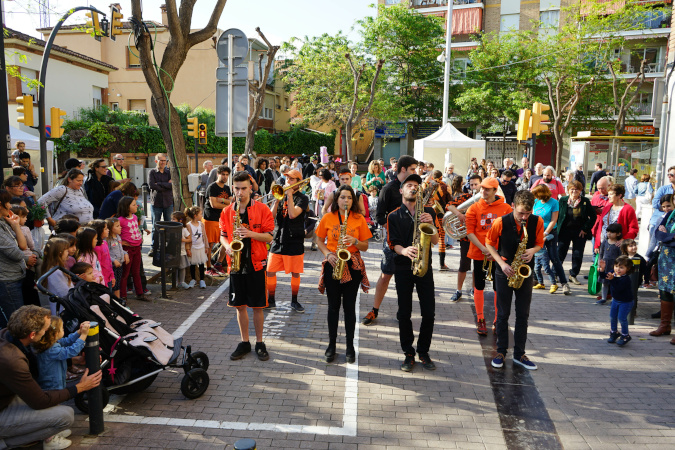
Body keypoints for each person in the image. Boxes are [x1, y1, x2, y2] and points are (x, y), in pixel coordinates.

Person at [0, 305, 102, 450]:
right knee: (65, 416)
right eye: (46, 329)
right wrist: (79, 387)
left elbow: (45, 359)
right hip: (5, 407)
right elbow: (40, 401)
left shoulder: (7, 336)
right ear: (32, 335)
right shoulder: (12, 360)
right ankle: (6, 443)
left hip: (6, 398)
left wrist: (73, 360)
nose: (50, 332)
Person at [386, 173, 439, 372]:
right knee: (404, 312)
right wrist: (405, 250)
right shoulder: (393, 215)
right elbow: (393, 244)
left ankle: (423, 351)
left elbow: (435, 241)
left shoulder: (428, 212)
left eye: (416, 185)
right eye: (408, 185)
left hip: (425, 266)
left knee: (429, 312)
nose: (413, 188)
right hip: (403, 267)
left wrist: (431, 224)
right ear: (401, 190)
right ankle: (408, 352)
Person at [486, 189, 544, 370]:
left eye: (528, 213)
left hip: (524, 272)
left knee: (523, 315)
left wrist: (532, 251)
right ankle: (501, 351)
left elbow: (539, 243)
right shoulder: (500, 222)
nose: (524, 217)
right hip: (504, 270)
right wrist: (502, 265)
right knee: (502, 314)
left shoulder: (537, 221)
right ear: (512, 207)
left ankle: (520, 353)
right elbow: (489, 243)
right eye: (520, 213)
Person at [220, 171, 274, 362]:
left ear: (251, 187)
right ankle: (244, 342)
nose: (240, 192)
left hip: (256, 263)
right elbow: (223, 234)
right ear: (232, 189)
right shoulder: (227, 211)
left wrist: (250, 233)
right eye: (237, 189)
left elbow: (269, 236)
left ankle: (260, 343)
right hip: (235, 264)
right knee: (239, 306)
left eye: (244, 188)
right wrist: (227, 247)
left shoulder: (262, 209)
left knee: (258, 306)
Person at [315, 185, 371, 363]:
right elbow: (318, 240)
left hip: (352, 265)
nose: (345, 201)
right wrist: (328, 254)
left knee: (349, 308)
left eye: (349, 198)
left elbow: (365, 246)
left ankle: (349, 346)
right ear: (336, 199)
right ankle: (331, 345)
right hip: (333, 263)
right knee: (333, 307)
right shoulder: (328, 217)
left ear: (353, 201)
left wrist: (355, 240)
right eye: (342, 197)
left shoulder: (358, 218)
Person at [361, 155, 418, 326]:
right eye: (413, 169)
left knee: (408, 277)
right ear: (403, 169)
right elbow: (378, 216)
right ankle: (375, 309)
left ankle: (403, 311)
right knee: (385, 275)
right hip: (392, 240)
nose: (415, 173)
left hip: (412, 240)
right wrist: (393, 227)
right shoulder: (388, 188)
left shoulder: (416, 189)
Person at [465, 177, 512, 335]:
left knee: (498, 287)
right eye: (482, 188)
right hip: (479, 253)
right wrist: (484, 249)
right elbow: (470, 232)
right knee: (478, 286)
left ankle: (497, 320)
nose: (483, 191)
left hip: (499, 255)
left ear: (494, 190)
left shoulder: (506, 208)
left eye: (487, 189)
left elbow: (509, 232)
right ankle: (480, 319)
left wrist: (495, 252)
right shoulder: (474, 208)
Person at [266, 169, 309, 311]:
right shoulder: (281, 195)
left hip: (294, 239)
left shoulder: (303, 198)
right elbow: (271, 217)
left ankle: (294, 301)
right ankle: (271, 299)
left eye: (291, 180)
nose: (287, 182)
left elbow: (292, 214)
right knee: (270, 270)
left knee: (295, 272)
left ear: (298, 182)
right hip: (278, 238)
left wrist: (289, 196)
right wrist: (277, 202)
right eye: (286, 179)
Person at [0, 189, 34, 327]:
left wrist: (15, 226)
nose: (10, 206)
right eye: (7, 202)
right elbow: (16, 253)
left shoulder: (4, 222)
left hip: (15, 276)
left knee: (16, 319)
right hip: (7, 280)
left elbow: (23, 246)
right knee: (16, 323)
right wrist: (25, 257)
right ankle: (14, 348)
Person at [447, 175, 482, 302]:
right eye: (471, 184)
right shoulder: (466, 197)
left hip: (480, 238)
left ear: (481, 185)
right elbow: (449, 205)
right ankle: (458, 290)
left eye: (476, 184)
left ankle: (474, 289)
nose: (473, 187)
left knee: (477, 266)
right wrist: (458, 214)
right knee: (463, 265)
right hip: (466, 238)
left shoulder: (485, 199)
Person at [532, 185, 571, 295]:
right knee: (537, 257)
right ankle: (538, 281)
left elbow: (553, 221)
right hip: (538, 233)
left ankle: (564, 283)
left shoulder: (554, 202)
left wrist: (545, 233)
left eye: (537, 195)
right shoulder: (536, 202)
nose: (536, 197)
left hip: (550, 234)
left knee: (554, 257)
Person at [34, 317, 89, 393]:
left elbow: (67, 341)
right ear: (56, 334)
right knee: (55, 401)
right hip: (52, 385)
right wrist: (83, 335)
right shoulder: (52, 349)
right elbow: (71, 351)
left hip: (51, 382)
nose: (63, 330)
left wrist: (79, 332)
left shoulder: (50, 342)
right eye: (62, 328)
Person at [557, 181, 596, 285]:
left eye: (577, 189)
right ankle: (556, 274)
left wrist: (585, 228)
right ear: (568, 190)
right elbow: (557, 215)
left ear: (580, 190)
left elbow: (593, 217)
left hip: (579, 232)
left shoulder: (585, 201)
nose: (574, 191)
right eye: (572, 189)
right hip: (564, 231)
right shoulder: (563, 200)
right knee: (560, 253)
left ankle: (573, 275)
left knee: (578, 254)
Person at [652, 204, 675, 343]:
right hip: (667, 259)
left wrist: (667, 236)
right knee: (665, 291)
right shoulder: (670, 214)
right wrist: (670, 237)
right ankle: (664, 325)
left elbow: (664, 235)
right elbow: (658, 234)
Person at [599, 255, 635, 346]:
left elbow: (618, 288)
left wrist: (612, 279)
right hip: (615, 300)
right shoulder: (613, 273)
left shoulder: (625, 279)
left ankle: (625, 335)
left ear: (628, 268)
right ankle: (614, 332)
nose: (618, 269)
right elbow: (604, 276)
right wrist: (602, 270)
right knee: (612, 317)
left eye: (621, 267)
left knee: (622, 318)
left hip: (626, 302)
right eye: (616, 266)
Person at [118, 196, 148, 302]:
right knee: (125, 273)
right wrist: (121, 242)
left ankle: (140, 293)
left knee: (136, 271)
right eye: (134, 205)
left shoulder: (135, 217)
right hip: (127, 249)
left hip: (137, 248)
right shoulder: (120, 220)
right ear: (127, 207)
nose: (137, 206)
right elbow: (115, 235)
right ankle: (123, 295)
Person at [203, 166, 232, 276]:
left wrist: (222, 200)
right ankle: (208, 267)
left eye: (226, 175)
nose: (225, 177)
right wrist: (226, 203)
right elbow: (213, 205)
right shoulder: (212, 187)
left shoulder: (227, 188)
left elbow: (231, 202)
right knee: (209, 245)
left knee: (226, 243)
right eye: (223, 174)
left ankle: (218, 264)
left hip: (223, 219)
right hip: (210, 219)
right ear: (218, 174)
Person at [592, 184, 639, 252]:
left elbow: (634, 229)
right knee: (602, 262)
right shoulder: (607, 207)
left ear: (619, 195)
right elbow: (601, 226)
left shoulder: (628, 209)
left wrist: (624, 240)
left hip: (618, 246)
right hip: (604, 243)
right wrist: (597, 244)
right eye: (608, 194)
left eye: (611, 194)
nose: (608, 197)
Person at [149, 153, 173, 254]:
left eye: (164, 160)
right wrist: (166, 185)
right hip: (156, 203)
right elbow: (152, 186)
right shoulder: (152, 172)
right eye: (161, 160)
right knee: (156, 226)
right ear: (156, 161)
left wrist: (159, 184)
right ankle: (154, 248)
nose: (163, 162)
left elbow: (172, 185)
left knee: (169, 226)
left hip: (168, 202)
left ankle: (168, 247)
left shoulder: (169, 172)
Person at [597, 223, 623, 304]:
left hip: (614, 266)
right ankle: (603, 297)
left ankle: (613, 299)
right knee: (604, 282)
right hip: (605, 265)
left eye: (612, 232)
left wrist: (618, 267)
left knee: (613, 283)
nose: (609, 234)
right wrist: (599, 264)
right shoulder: (605, 242)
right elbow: (601, 253)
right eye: (608, 232)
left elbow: (620, 256)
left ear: (618, 233)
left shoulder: (618, 244)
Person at [84, 159, 114, 224]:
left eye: (106, 167)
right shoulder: (89, 181)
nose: (106, 169)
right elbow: (88, 197)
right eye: (103, 167)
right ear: (96, 168)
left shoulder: (109, 180)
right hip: (94, 212)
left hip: (108, 210)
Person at [105, 218, 128, 300]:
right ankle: (114, 302)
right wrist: (113, 260)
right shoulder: (107, 240)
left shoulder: (118, 237)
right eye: (117, 226)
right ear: (111, 228)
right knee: (113, 285)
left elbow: (120, 249)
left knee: (118, 284)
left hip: (119, 265)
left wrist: (125, 254)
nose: (120, 227)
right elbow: (106, 254)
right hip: (112, 266)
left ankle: (118, 301)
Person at [171, 211, 191, 290]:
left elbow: (189, 239)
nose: (172, 221)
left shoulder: (184, 229)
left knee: (182, 267)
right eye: (171, 219)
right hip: (173, 252)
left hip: (181, 252)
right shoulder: (171, 228)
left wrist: (182, 240)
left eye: (174, 219)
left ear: (180, 220)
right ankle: (175, 282)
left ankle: (182, 282)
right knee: (174, 268)